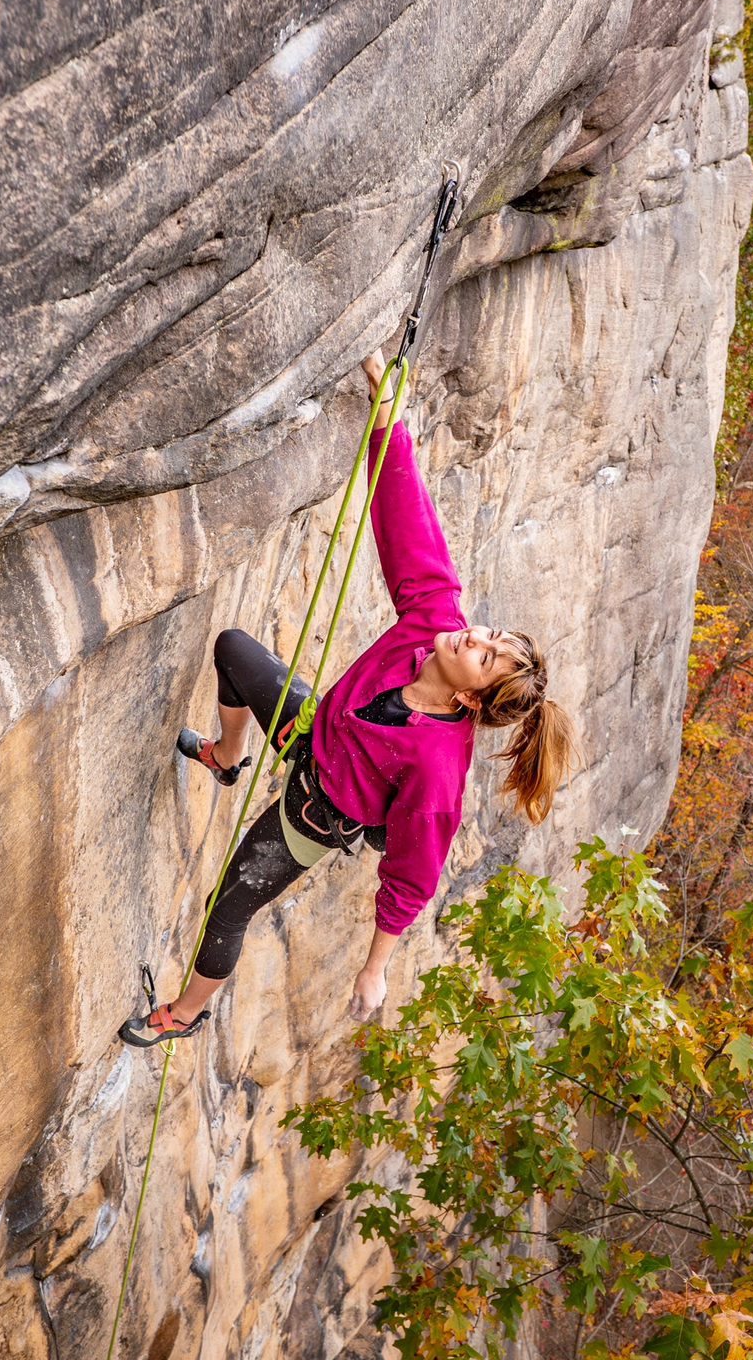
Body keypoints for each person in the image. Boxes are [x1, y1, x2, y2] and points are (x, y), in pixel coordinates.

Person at [119, 351, 578, 1047]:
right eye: (489, 634)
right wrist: (389, 422)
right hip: (313, 735)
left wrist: (375, 970)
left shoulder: (437, 770)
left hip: (318, 813)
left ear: (474, 703)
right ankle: (227, 755)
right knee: (234, 651)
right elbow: (406, 525)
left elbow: (412, 874)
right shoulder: (434, 618)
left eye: (483, 654)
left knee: (228, 905)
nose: (472, 636)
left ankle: (185, 1012)